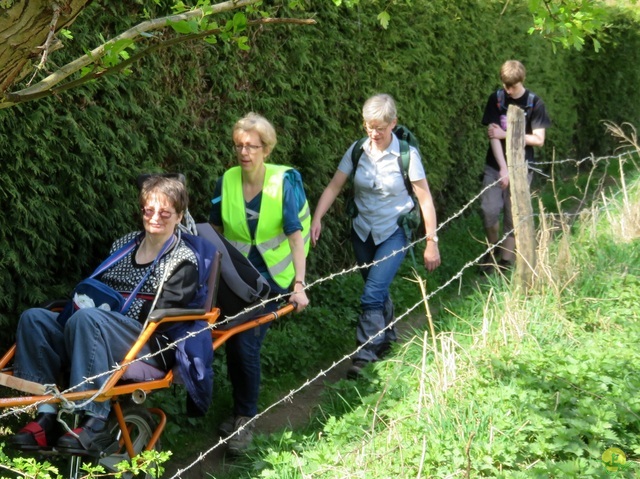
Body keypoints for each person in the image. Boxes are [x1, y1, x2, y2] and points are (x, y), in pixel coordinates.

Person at [8, 176, 200, 454]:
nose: (154, 218)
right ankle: (46, 415)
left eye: (164, 213)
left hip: (146, 339)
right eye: (149, 210)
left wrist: (109, 310)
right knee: (34, 318)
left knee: (89, 319)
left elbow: (163, 315)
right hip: (97, 324)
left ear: (179, 216)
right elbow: (101, 287)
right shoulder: (124, 244)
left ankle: (94, 421)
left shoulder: (182, 260)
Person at [310, 93, 441, 380]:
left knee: (371, 294)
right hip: (362, 231)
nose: (374, 133)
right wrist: (317, 217)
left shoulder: (407, 155)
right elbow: (334, 186)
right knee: (375, 287)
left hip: (394, 230)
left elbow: (425, 200)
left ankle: (365, 354)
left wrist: (432, 242)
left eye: (380, 127)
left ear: (393, 123)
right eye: (369, 126)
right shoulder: (358, 150)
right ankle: (388, 338)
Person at [209, 112, 310, 454]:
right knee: (230, 343)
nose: (244, 153)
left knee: (244, 345)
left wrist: (299, 283)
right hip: (235, 281)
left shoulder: (283, 182)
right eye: (239, 146)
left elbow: (296, 237)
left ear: (266, 149)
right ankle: (240, 410)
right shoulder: (227, 181)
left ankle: (245, 419)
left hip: (271, 281)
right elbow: (216, 232)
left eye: (251, 146)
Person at [479, 60, 552, 273]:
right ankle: (491, 252)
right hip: (495, 166)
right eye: (505, 85)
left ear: (522, 81)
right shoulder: (497, 99)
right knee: (489, 210)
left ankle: (505, 263)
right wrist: (503, 168)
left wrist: (508, 135)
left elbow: (538, 139)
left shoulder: (534, 103)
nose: (509, 91)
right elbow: (493, 135)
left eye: (513, 86)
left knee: (513, 216)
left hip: (522, 169)